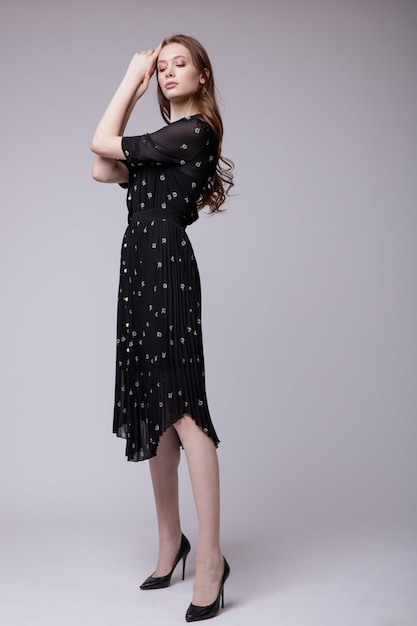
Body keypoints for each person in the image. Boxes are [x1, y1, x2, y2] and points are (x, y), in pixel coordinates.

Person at [90, 34, 233, 622]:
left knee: (183, 408)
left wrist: (131, 77)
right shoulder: (161, 146)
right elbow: (102, 168)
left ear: (202, 75)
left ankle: (211, 561)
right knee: (156, 402)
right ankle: (171, 544)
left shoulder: (192, 132)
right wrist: (137, 92)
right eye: (162, 64)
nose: (168, 72)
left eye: (180, 64)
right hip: (140, 267)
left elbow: (98, 141)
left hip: (167, 267)